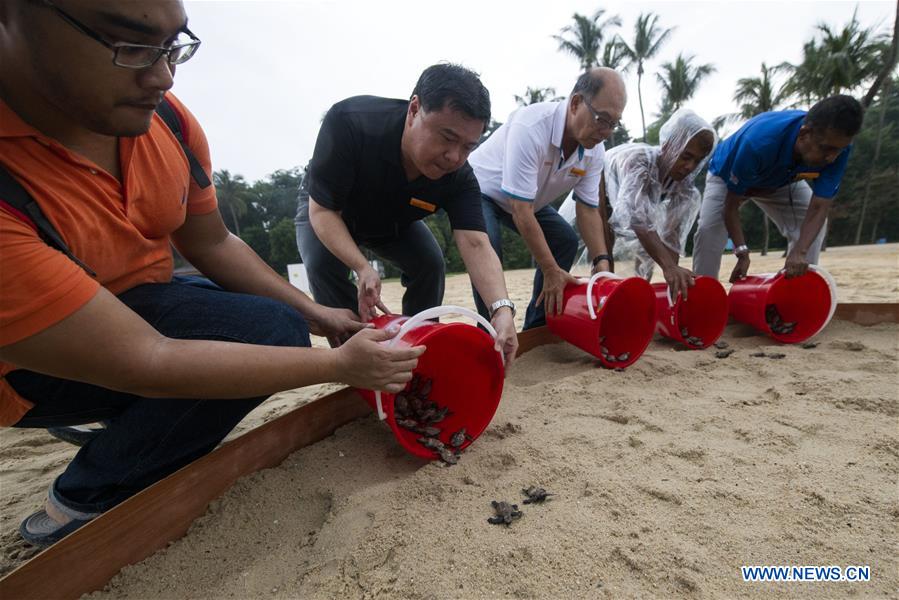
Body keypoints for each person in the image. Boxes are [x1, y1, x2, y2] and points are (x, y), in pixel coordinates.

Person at [0, 0, 424, 547]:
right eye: (129, 44)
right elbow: (146, 358)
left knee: (275, 317)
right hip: (31, 370)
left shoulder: (165, 119)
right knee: (269, 333)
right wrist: (338, 366)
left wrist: (317, 313)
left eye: (173, 46)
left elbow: (212, 241)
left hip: (142, 301)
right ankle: (88, 494)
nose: (163, 75)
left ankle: (135, 424)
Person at [295, 63, 518, 364]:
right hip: (331, 210)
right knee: (322, 265)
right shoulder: (350, 122)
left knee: (429, 262)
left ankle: (420, 343)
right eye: (447, 137)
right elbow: (322, 212)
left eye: (468, 146)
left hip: (393, 219)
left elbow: (476, 243)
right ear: (415, 109)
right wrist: (362, 267)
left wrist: (501, 310)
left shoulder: (460, 176)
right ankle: (356, 358)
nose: (454, 157)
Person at [467, 68, 626, 329]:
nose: (606, 131)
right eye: (602, 119)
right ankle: (489, 331)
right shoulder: (531, 127)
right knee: (488, 245)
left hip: (527, 200)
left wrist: (602, 263)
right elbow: (520, 210)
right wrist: (551, 270)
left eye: (613, 123)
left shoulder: (594, 150)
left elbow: (587, 209)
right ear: (575, 103)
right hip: (481, 190)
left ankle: (537, 328)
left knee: (563, 239)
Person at [691, 95, 864, 282]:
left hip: (783, 180)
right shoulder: (758, 142)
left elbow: (819, 206)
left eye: (839, 150)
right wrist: (742, 252)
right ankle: (704, 295)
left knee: (810, 226)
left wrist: (800, 252)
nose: (831, 158)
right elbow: (730, 207)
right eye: (826, 149)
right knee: (709, 231)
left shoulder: (838, 149)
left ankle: (793, 293)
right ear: (804, 134)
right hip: (728, 175)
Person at [559, 108, 716, 300]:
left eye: (697, 161)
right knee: (603, 253)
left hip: (633, 207)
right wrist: (669, 267)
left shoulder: (686, 190)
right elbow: (637, 219)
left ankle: (635, 298)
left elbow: (671, 239)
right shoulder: (640, 162)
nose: (690, 167)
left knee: (646, 258)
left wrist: (672, 275)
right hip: (600, 183)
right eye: (686, 156)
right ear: (668, 146)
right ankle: (601, 297)